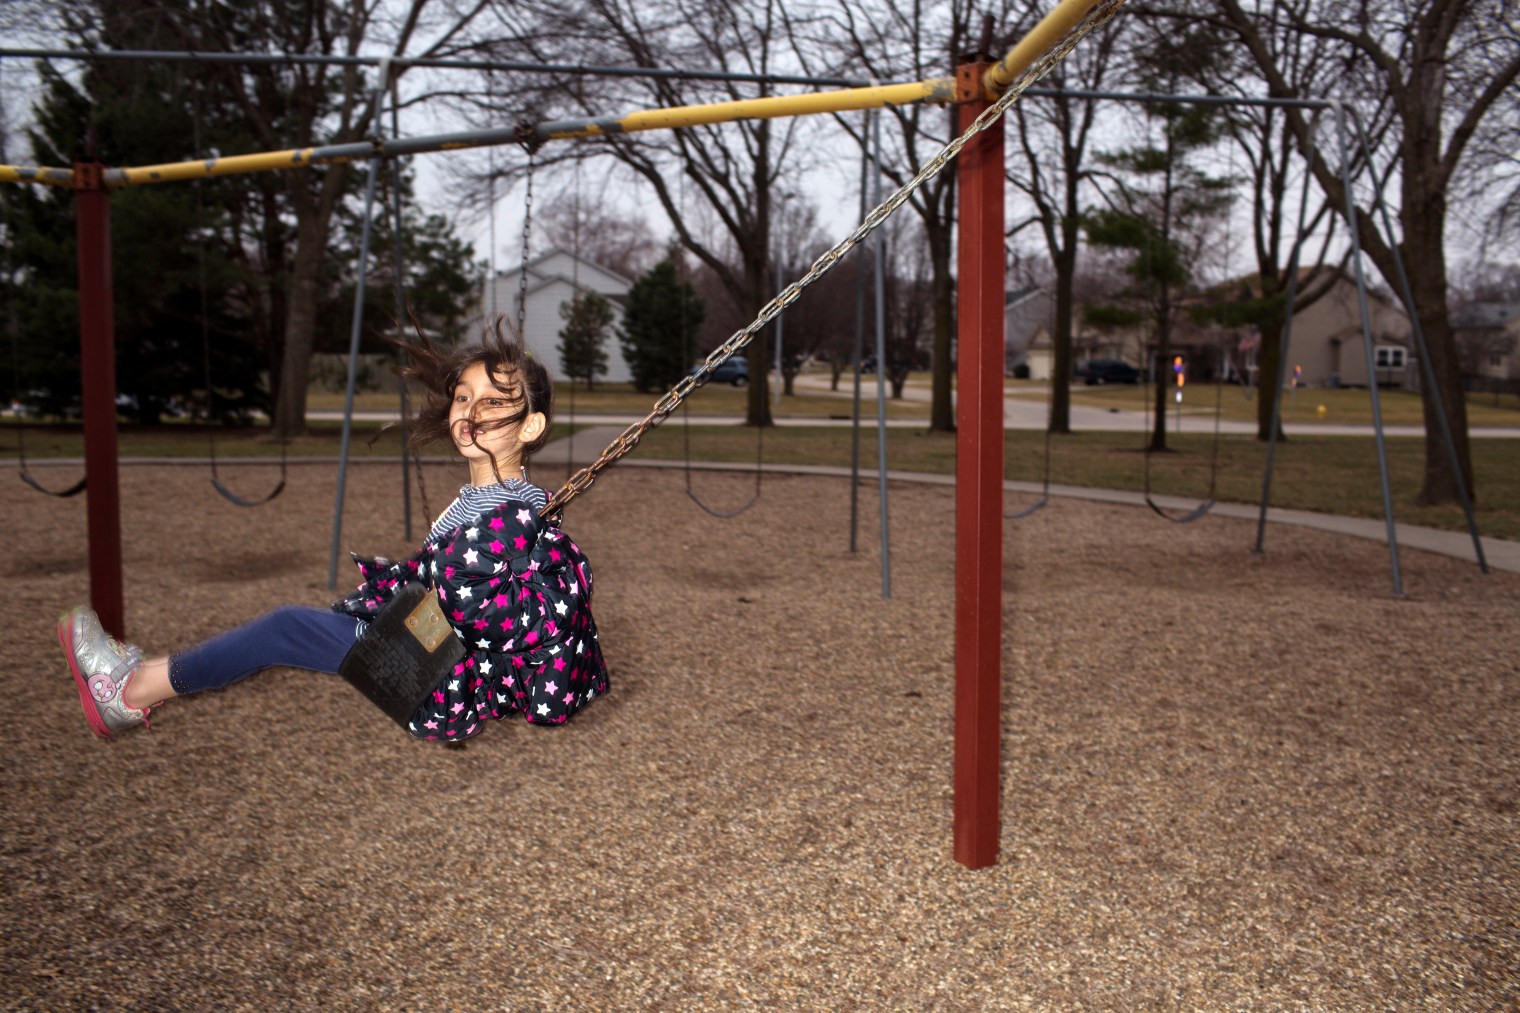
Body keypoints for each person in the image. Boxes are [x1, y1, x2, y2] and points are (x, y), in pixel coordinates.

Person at [58, 321, 609, 742]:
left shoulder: (508, 512)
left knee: (285, 628)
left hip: (434, 673)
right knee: (295, 628)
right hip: (427, 650)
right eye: (464, 397)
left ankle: (127, 693)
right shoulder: (495, 502)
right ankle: (137, 678)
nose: (471, 410)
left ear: (531, 426)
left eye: (494, 402)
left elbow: (498, 612)